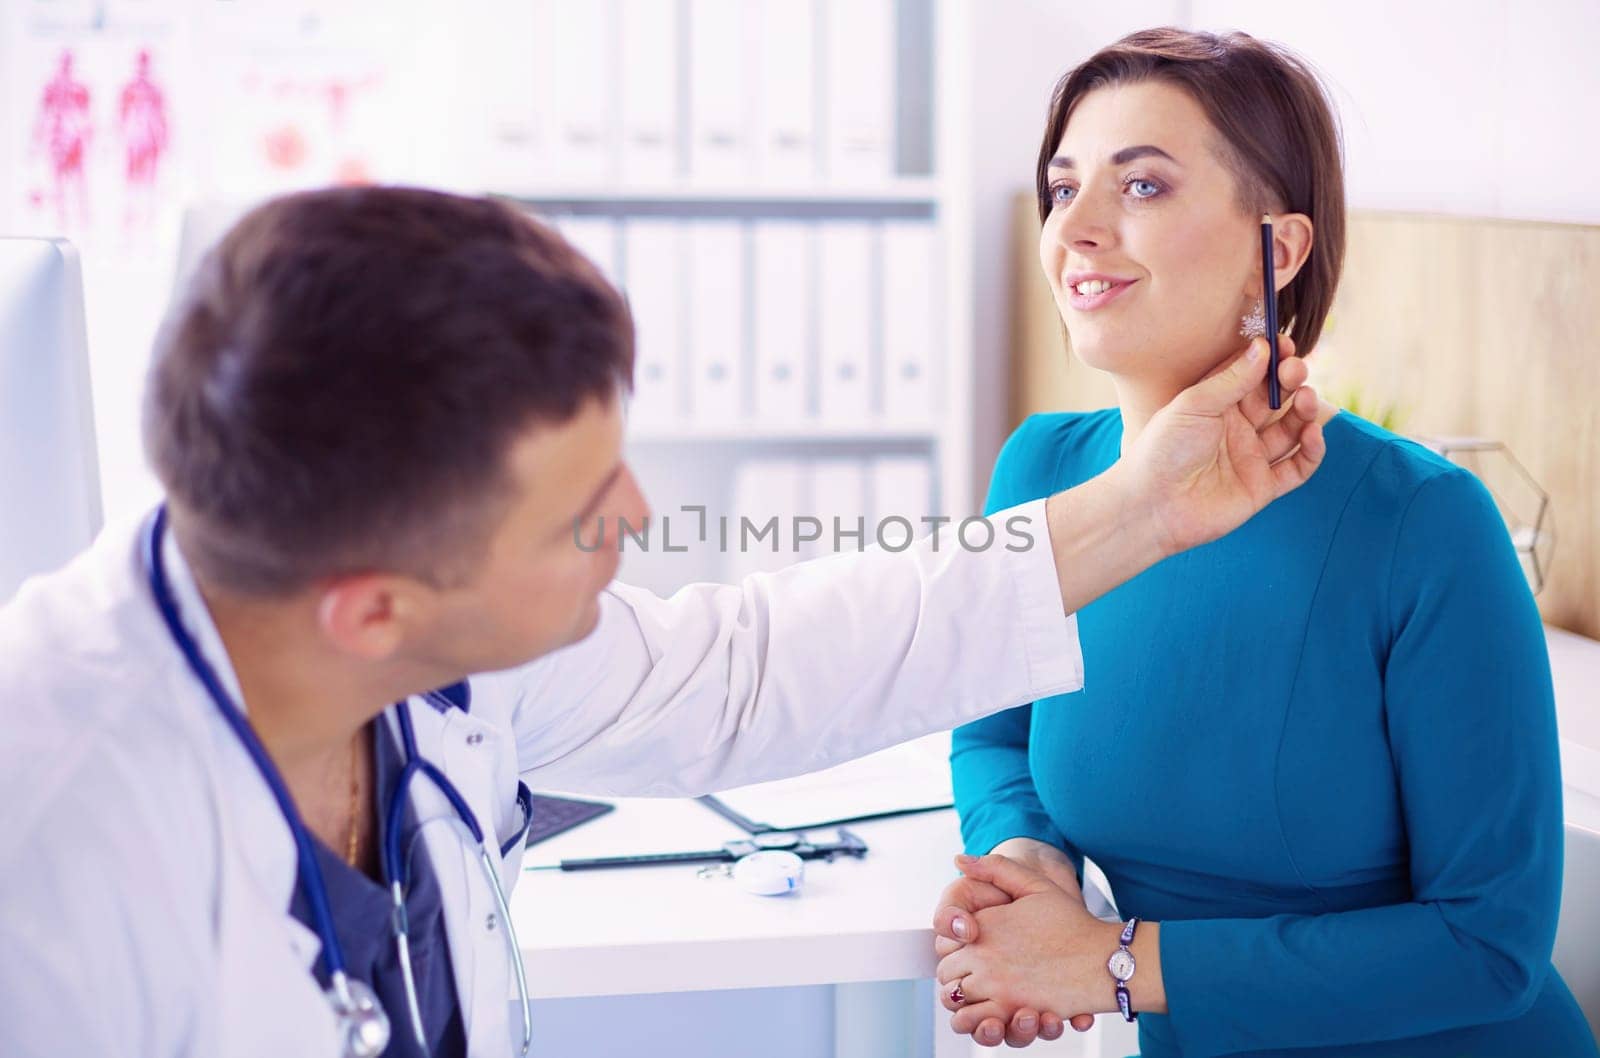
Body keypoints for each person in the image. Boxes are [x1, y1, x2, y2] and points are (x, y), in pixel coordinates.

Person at [0, 186, 1323, 1058]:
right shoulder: (49, 854)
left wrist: (1144, 506)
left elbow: (741, 671)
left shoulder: (401, 643)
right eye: (580, 508)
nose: (637, 517)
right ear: (375, 607)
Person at [930, 27, 1599, 1058]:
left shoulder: (1423, 523)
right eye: (1062, 189)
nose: (1079, 229)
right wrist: (1027, 867)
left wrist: (1110, 959)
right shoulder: (1042, 469)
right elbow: (992, 734)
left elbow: (1488, 941)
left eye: (1141, 186)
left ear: (1275, 249)